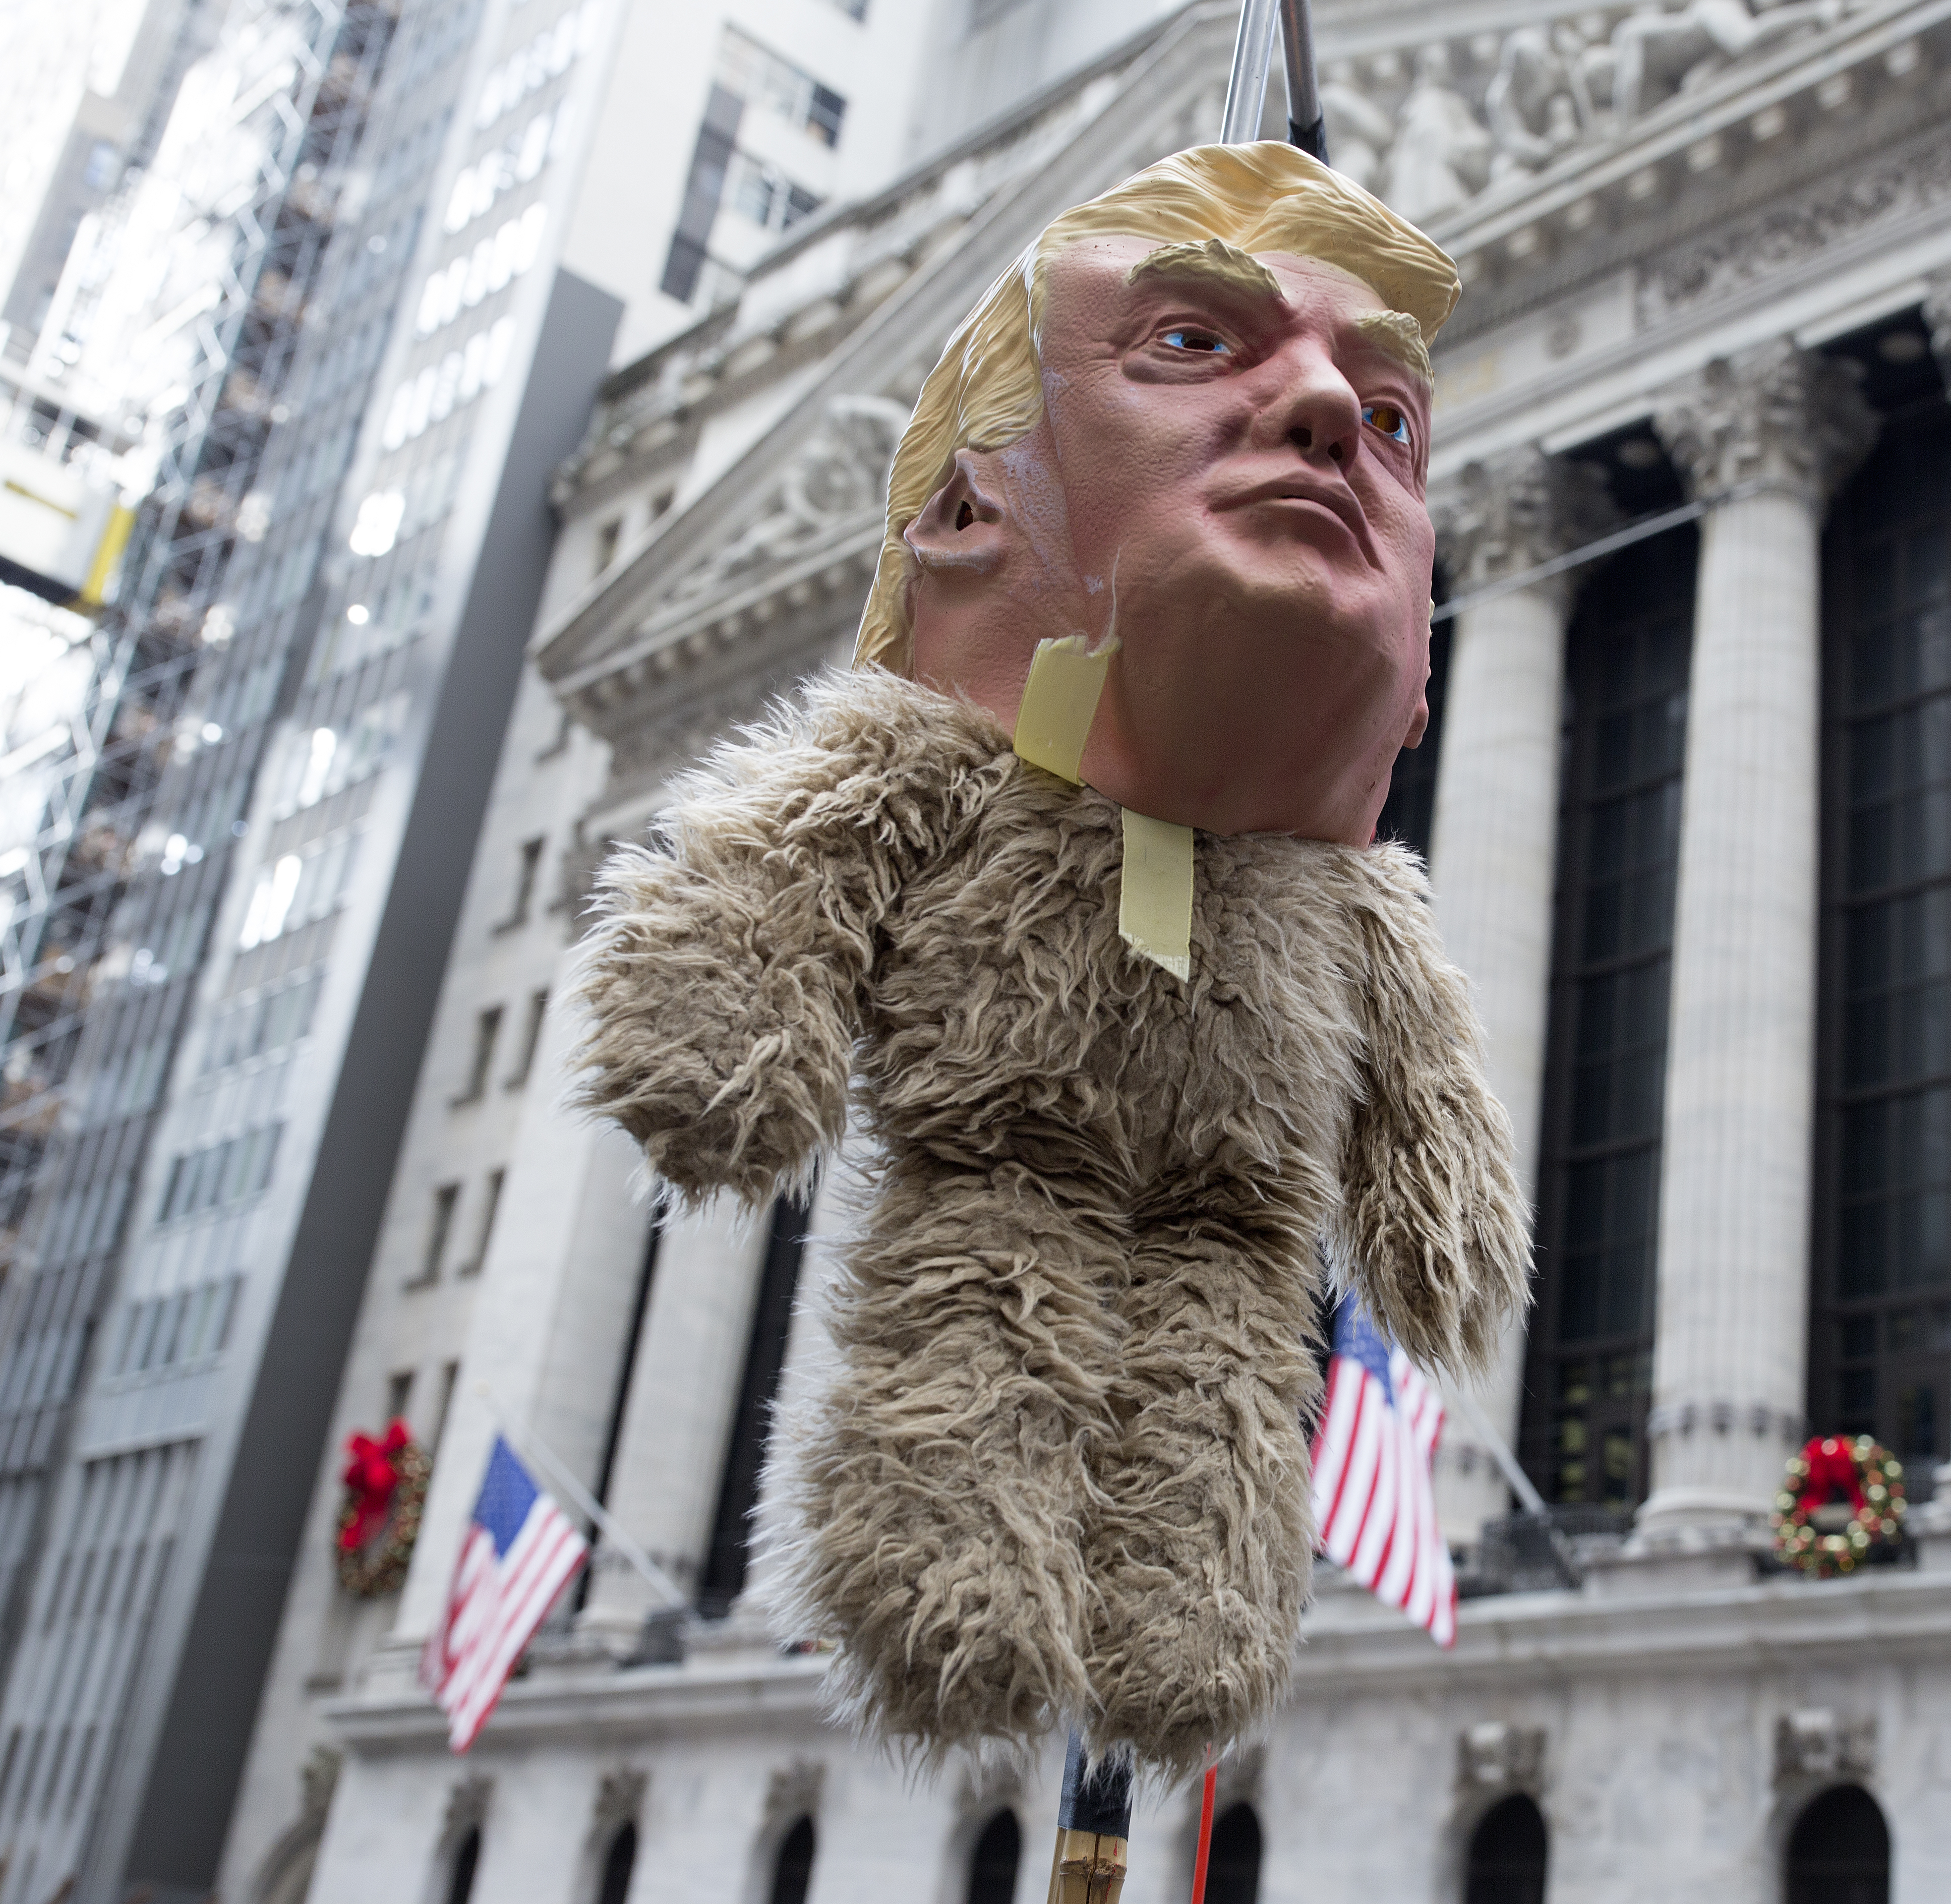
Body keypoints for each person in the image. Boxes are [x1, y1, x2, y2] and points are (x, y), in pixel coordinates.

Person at [570, 142, 1529, 1771]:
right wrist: (728, 1022)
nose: (1321, 420)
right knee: (979, 1327)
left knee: (1226, 1378)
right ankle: (953, 1600)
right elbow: (772, 883)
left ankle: (1192, 1628)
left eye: (1388, 420)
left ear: (1418, 684)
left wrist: (1437, 1219)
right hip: (1006, 1162)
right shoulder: (928, 770)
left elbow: (1421, 1087)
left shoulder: (1340, 898)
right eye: (1191, 344)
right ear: (965, 513)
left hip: (1232, 1220)